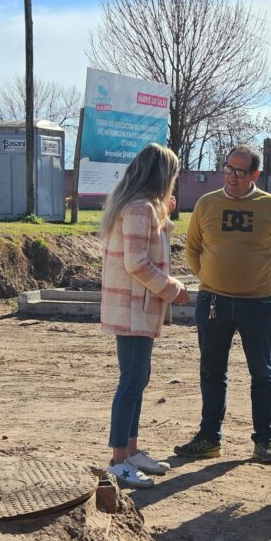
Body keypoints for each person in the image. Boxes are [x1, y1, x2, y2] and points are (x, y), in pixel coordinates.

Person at [174, 144, 271, 464]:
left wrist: (262, 283)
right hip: (213, 301)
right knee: (212, 371)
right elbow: (193, 249)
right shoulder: (206, 204)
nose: (232, 176)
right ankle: (209, 437)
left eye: (240, 172)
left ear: (255, 174)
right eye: (228, 169)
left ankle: (264, 441)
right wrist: (212, 280)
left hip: (258, 304)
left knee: (263, 374)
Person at [100, 143, 189, 488]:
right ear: (163, 175)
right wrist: (172, 287)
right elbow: (136, 262)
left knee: (138, 380)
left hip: (137, 308)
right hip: (133, 309)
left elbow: (143, 250)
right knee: (131, 383)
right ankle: (119, 460)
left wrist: (163, 215)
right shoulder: (139, 208)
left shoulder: (142, 206)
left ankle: (132, 451)